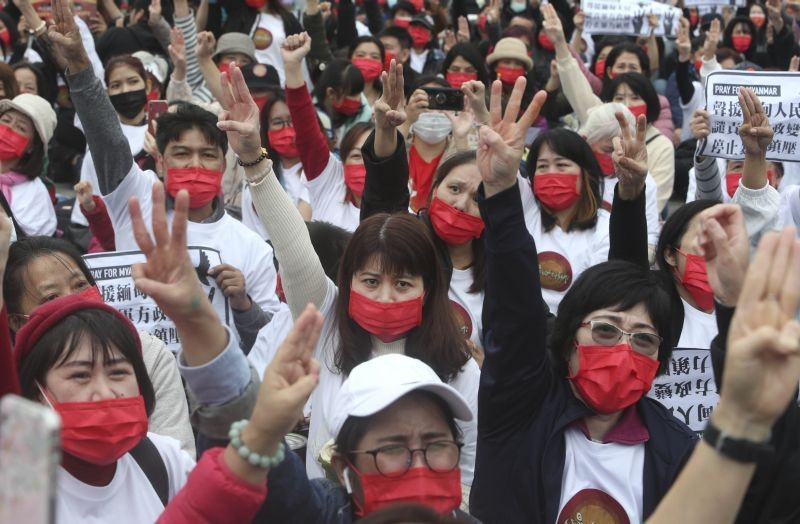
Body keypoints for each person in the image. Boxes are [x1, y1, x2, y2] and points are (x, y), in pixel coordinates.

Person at [226, 51, 478, 500]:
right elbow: (294, 247)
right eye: (369, 281)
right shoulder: (328, 325)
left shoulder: (458, 366)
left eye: (402, 284)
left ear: (428, 289)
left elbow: (471, 467)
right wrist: (255, 161)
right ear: (347, 282)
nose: (383, 297)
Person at [468, 76, 696, 522]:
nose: (621, 350)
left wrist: (629, 199)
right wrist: (498, 191)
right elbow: (516, 310)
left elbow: (626, 287)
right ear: (569, 337)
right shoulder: (520, 408)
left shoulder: (678, 452)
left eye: (644, 341)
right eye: (606, 331)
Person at [51, 0, 281, 348]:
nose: (194, 164)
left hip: (214, 394)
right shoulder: (138, 197)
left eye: (207, 155)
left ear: (223, 164)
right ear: (159, 161)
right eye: (181, 153)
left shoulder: (251, 248)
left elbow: (272, 340)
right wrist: (80, 65)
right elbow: (106, 138)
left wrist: (243, 304)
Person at [647, 222, 800, 523]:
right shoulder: (653, 310)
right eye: (704, 246)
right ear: (669, 253)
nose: (713, 257)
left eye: (723, 248)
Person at [3, 234, 195, 455]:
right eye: (51, 297)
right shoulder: (11, 381)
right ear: (17, 321)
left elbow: (180, 458)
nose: (75, 299)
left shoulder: (149, 353)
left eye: (80, 285)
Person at [361, 61, 486, 353]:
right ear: (434, 192)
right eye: (453, 189)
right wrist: (388, 131)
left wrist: (491, 370)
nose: (461, 204)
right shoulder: (409, 245)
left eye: (478, 198)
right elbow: (382, 201)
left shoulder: (503, 266)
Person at [282, 32, 372, 231]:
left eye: (371, 156)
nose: (364, 164)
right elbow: (307, 133)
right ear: (343, 160)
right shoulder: (330, 182)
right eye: (357, 156)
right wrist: (292, 66)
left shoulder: (399, 205)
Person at [70, 54, 150, 228]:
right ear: (107, 93)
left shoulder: (164, 135)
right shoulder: (99, 147)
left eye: (133, 81)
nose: (125, 90)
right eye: (116, 85)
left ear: (147, 85)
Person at [0, 93, 56, 236]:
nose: (9, 128)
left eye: (21, 128)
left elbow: (26, 248)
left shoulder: (35, 192)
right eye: (6, 120)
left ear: (32, 146)